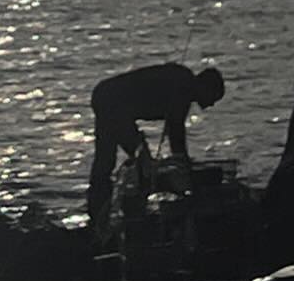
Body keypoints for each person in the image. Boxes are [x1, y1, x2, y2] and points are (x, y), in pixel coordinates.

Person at [87, 61, 225, 233]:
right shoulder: (183, 86)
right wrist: (185, 169)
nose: (211, 104)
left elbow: (175, 133)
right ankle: (118, 218)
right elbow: (176, 136)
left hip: (105, 96)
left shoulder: (183, 83)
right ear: (205, 87)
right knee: (140, 163)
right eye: (213, 98)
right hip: (113, 103)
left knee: (107, 161)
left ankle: (98, 214)